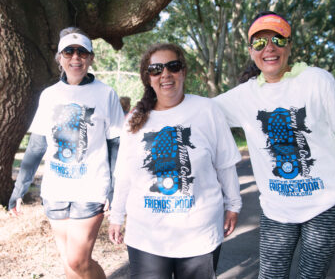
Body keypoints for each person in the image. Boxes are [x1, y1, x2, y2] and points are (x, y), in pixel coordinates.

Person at [213, 11, 335, 278]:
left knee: (311, 275)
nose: (269, 48)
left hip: (327, 202)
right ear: (251, 50)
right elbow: (199, 114)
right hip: (277, 207)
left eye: (277, 39)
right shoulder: (244, 96)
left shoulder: (317, 80)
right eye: (260, 43)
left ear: (289, 44)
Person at [108, 43, 242, 279]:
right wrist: (117, 216)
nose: (165, 74)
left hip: (198, 233)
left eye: (173, 66)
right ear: (148, 78)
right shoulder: (135, 119)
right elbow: (125, 174)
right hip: (146, 235)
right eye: (156, 69)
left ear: (183, 71)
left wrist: (233, 204)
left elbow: (225, 163)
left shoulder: (206, 110)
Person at [8, 27, 125, 279]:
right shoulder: (49, 96)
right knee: (68, 264)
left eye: (82, 52)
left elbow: (117, 145)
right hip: (55, 189)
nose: (75, 58)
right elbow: (37, 146)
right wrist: (20, 188)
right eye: (69, 52)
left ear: (91, 58)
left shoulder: (106, 94)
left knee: (78, 260)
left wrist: (115, 190)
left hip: (91, 187)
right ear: (59, 58)